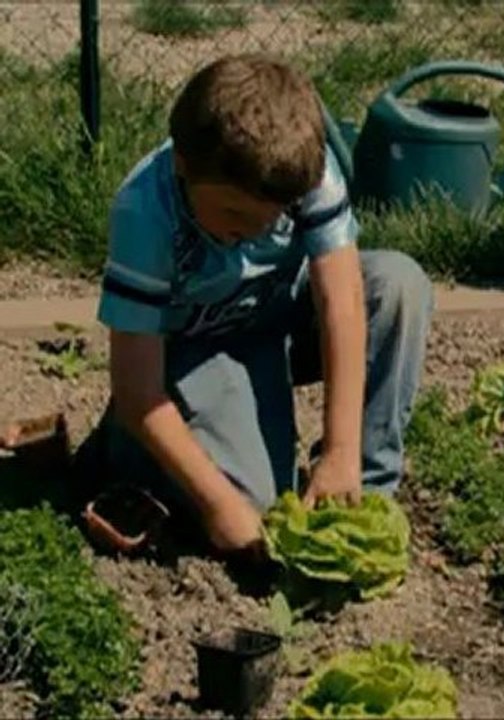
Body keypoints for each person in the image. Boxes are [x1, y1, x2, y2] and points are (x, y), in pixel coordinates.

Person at [77, 53, 434, 556]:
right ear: (183, 165)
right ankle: (125, 450)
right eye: (235, 214)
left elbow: (344, 302)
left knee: (398, 285)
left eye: (272, 218)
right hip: (199, 351)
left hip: (278, 320)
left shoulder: (303, 169)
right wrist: (220, 505)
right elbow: (139, 389)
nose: (254, 231)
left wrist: (340, 450)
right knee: (252, 511)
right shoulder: (145, 212)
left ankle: (360, 493)